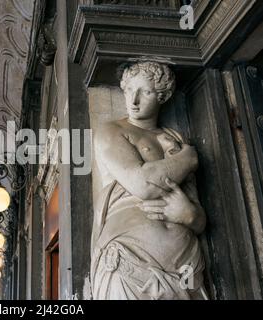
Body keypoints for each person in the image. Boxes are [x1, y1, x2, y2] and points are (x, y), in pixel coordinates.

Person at [90, 61, 208, 300]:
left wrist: (189, 215)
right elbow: (142, 185)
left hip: (184, 264)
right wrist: (188, 159)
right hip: (128, 261)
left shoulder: (174, 138)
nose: (133, 100)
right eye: (129, 90)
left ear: (162, 96)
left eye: (145, 92)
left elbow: (200, 220)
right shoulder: (111, 131)